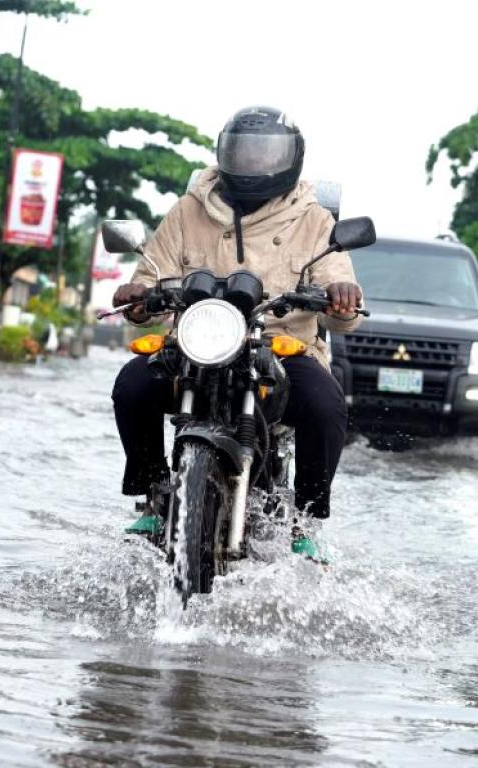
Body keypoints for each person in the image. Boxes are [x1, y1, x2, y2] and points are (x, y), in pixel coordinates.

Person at [110, 106, 363, 560]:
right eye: (244, 154)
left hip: (280, 346)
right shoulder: (189, 210)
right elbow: (149, 282)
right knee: (132, 385)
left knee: (325, 405)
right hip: (194, 343)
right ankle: (152, 489)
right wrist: (140, 292)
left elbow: (343, 307)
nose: (253, 166)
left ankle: (305, 520)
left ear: (291, 159)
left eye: (265, 155)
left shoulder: (314, 219)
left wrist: (341, 293)